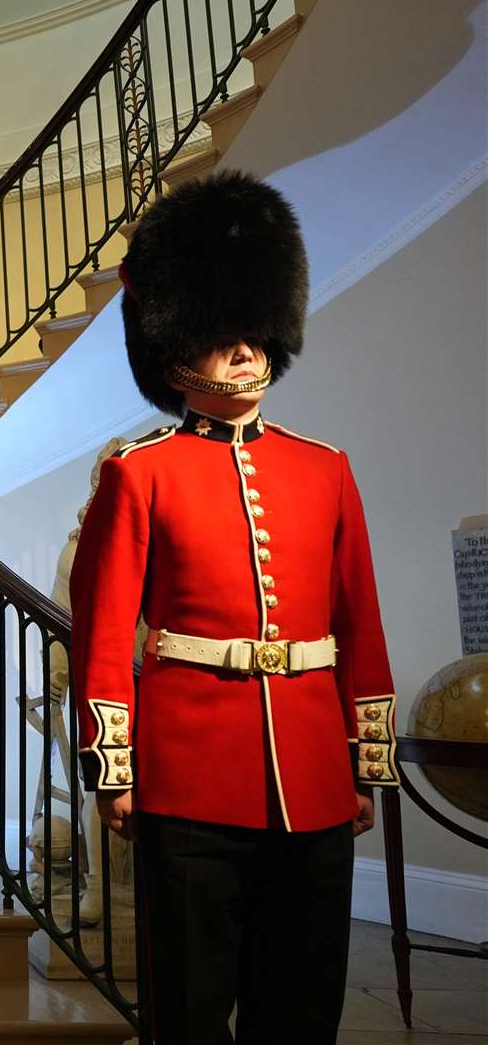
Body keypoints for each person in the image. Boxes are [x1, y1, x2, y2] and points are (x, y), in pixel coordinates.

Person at [68, 171, 398, 1044]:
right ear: (176, 352)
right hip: (188, 777)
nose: (246, 353)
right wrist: (116, 767)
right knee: (188, 1008)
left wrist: (364, 762)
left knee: (302, 1007)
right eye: (223, 337)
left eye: (255, 334)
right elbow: (104, 633)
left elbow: (358, 621)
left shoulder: (325, 468)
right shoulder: (139, 474)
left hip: (316, 781)